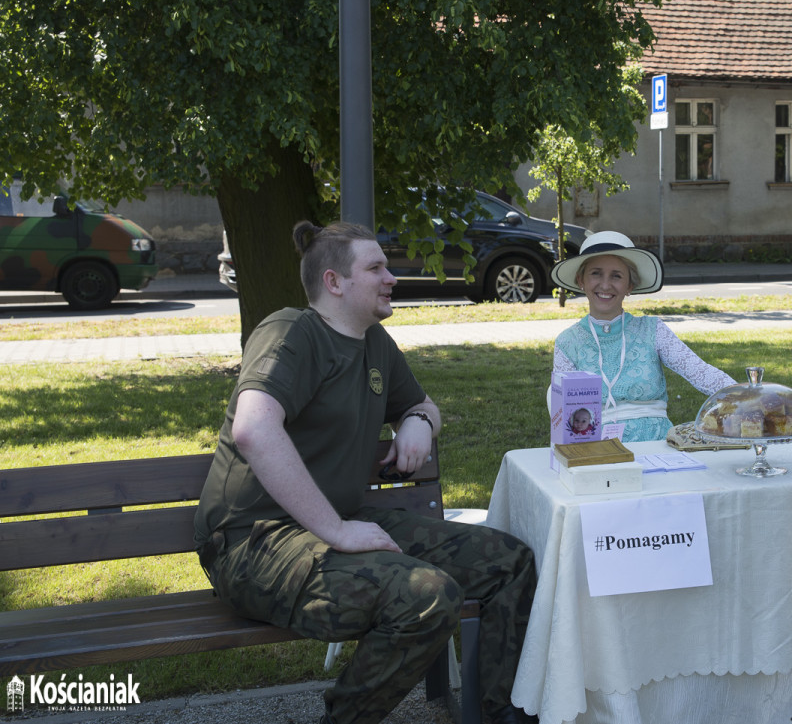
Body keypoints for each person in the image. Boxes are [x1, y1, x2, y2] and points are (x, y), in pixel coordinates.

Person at [194, 221, 538, 724]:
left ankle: (498, 712)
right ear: (334, 282)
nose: (391, 277)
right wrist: (337, 531)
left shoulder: (374, 343)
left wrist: (419, 422)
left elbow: (422, 405)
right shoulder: (291, 331)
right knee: (427, 597)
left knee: (508, 561)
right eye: (376, 268)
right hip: (253, 544)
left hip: (339, 523)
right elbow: (254, 429)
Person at [551, 231, 736, 442]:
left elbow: (700, 372)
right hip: (595, 448)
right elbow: (563, 410)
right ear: (580, 280)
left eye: (616, 276)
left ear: (630, 286)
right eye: (595, 273)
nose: (605, 284)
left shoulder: (653, 329)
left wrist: (747, 398)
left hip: (656, 443)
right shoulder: (567, 342)